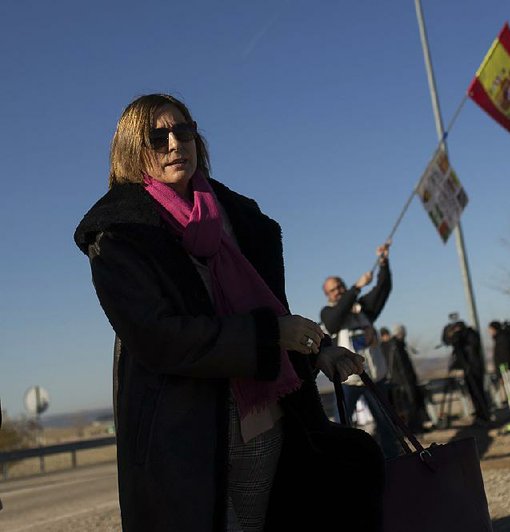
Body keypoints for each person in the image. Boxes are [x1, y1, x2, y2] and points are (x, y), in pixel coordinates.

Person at [74, 94, 384, 532]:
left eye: (183, 131)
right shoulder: (121, 234)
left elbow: (270, 307)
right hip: (182, 434)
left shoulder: (236, 218)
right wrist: (270, 334)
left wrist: (318, 352)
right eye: (157, 136)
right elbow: (158, 337)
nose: (174, 144)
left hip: (262, 421)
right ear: (132, 149)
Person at [320, 245, 402, 458]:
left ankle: (395, 466)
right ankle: (344, 465)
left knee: (387, 427)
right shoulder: (329, 314)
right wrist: (356, 288)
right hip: (348, 382)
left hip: (374, 379)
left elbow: (382, 289)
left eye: (341, 286)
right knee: (343, 427)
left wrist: (383, 264)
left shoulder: (363, 310)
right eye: (334, 289)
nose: (339, 291)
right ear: (327, 295)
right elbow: (335, 320)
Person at [442, 320, 492, 424]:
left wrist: (457, 337)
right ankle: (480, 414)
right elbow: (448, 341)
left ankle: (484, 415)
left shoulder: (469, 335)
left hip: (473, 368)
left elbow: (471, 349)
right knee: (473, 393)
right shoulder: (466, 336)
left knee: (478, 392)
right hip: (470, 368)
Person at [384, 324, 428, 433]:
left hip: (402, 381)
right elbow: (402, 367)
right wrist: (408, 383)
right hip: (404, 382)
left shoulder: (394, 345)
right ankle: (415, 429)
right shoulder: (396, 345)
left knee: (409, 405)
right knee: (411, 404)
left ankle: (416, 427)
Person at [488, 320, 510, 395]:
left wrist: (503, 372)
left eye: (490, 329)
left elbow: (504, 357)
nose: (489, 332)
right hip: (506, 368)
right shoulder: (501, 338)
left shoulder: (502, 339)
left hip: (506, 369)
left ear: (494, 329)